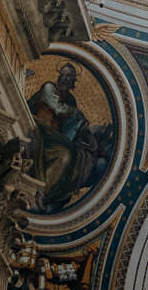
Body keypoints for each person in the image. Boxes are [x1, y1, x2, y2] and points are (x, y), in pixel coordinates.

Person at [27, 60, 112, 212]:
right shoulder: (49, 87)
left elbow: (71, 127)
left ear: (74, 81)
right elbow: (58, 109)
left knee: (72, 155)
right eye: (64, 75)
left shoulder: (71, 99)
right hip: (39, 126)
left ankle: (48, 193)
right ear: (59, 76)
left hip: (56, 137)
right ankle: (40, 191)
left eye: (70, 77)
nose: (66, 79)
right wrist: (76, 112)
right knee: (66, 154)